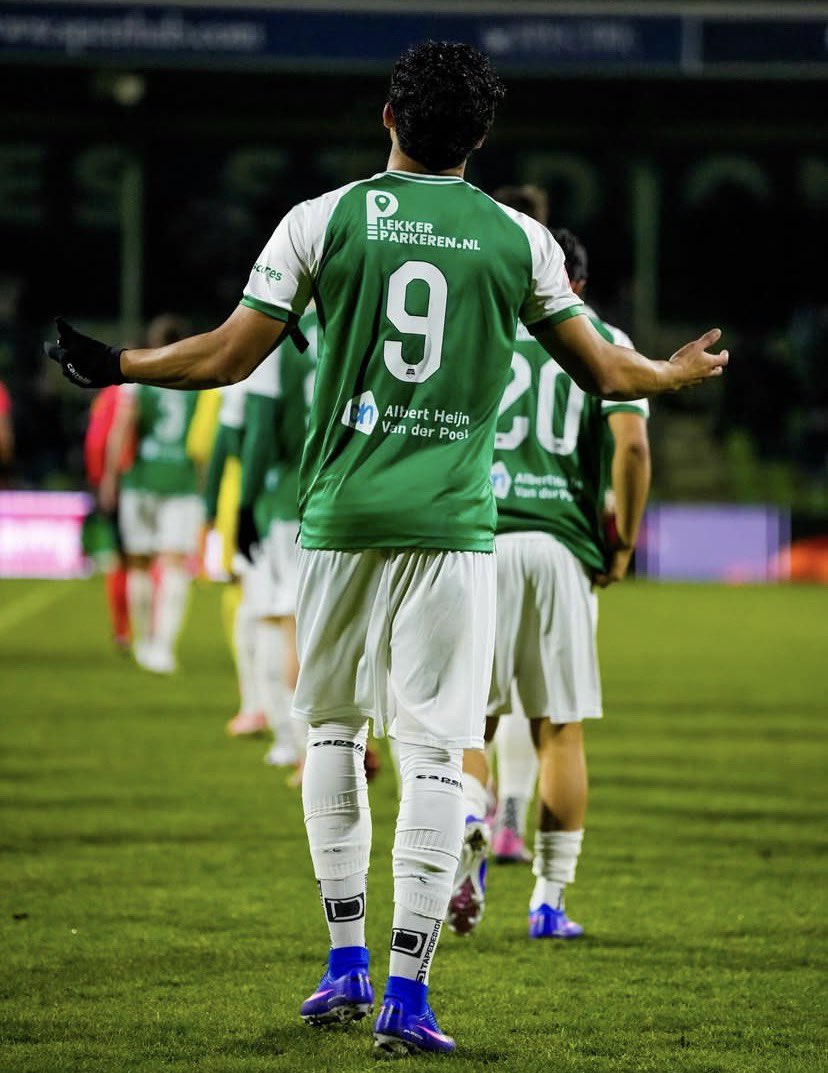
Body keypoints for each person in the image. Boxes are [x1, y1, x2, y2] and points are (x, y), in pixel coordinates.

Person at [47, 41, 727, 1057]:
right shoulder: (518, 239)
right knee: (435, 752)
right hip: (453, 530)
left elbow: (228, 354)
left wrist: (118, 363)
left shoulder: (322, 220)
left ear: (388, 118)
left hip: (341, 520)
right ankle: (409, 992)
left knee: (331, 731)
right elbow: (604, 374)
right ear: (480, 137)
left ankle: (344, 962)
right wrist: (672, 373)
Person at [447, 203, 652, 944]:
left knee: (469, 720)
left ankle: (466, 825)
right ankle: (548, 902)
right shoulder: (607, 340)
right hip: (562, 548)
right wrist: (622, 545)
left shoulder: (479, 330)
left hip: (477, 541)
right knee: (558, 731)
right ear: (580, 285)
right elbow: (632, 449)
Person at [236, 309, 319, 768]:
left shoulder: (277, 337)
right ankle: (352, 742)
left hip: (292, 500)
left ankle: (305, 749)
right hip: (356, 495)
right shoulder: (362, 313)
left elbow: (260, 431)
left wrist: (245, 504)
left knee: (290, 625)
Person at [99, 315, 203, 674]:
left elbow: (122, 427)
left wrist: (110, 477)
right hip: (182, 481)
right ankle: (164, 647)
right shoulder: (199, 378)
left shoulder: (137, 377)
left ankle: (144, 640)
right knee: (174, 565)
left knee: (139, 564)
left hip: (141, 479)